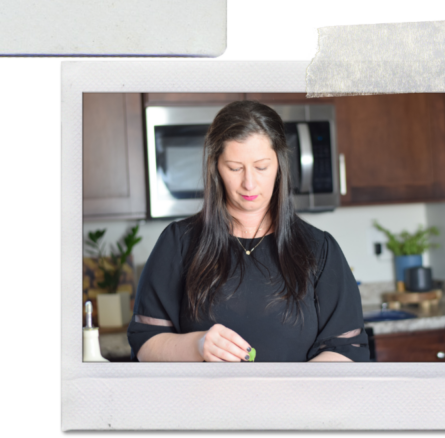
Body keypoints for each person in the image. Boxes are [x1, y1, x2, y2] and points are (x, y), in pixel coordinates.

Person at [127, 102, 368, 362]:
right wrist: (197, 345)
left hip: (295, 402)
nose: (249, 183)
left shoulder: (320, 249)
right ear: (216, 167)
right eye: (234, 167)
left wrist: (287, 396)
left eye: (261, 167)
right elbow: (145, 344)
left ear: (279, 165)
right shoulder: (178, 243)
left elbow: (347, 349)